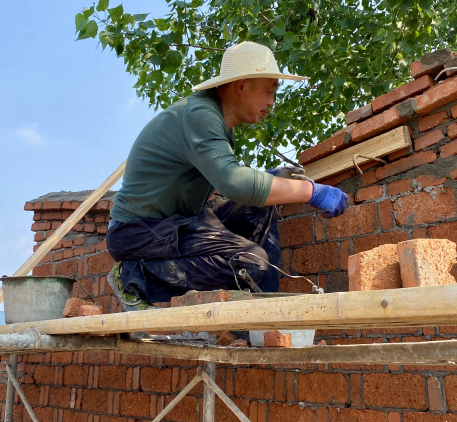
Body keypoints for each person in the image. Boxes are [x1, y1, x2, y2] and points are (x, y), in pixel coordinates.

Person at [106, 41, 349, 311]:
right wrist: (312, 192)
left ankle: (261, 321)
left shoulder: (219, 123)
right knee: (250, 261)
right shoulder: (200, 115)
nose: (272, 101)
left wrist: (270, 181)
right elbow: (234, 182)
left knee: (259, 209)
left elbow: (212, 189)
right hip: (138, 233)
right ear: (242, 86)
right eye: (270, 90)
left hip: (177, 222)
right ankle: (135, 277)